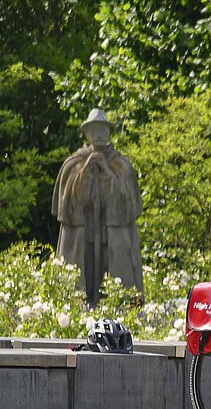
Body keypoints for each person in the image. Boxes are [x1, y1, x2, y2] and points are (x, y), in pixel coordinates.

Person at [52, 108, 144, 304]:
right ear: (86, 133)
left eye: (102, 129)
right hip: (83, 236)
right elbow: (69, 202)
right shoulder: (74, 163)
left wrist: (106, 172)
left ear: (109, 133)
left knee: (114, 283)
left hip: (111, 238)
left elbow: (126, 203)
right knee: (80, 280)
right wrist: (85, 171)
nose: (98, 134)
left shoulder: (121, 165)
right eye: (94, 130)